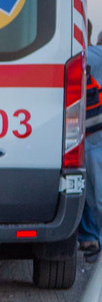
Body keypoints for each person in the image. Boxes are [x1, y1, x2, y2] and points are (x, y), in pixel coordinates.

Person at [81, 24, 102, 264]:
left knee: (93, 196)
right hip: (89, 137)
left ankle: (91, 238)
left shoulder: (91, 56)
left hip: (91, 137)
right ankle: (90, 238)